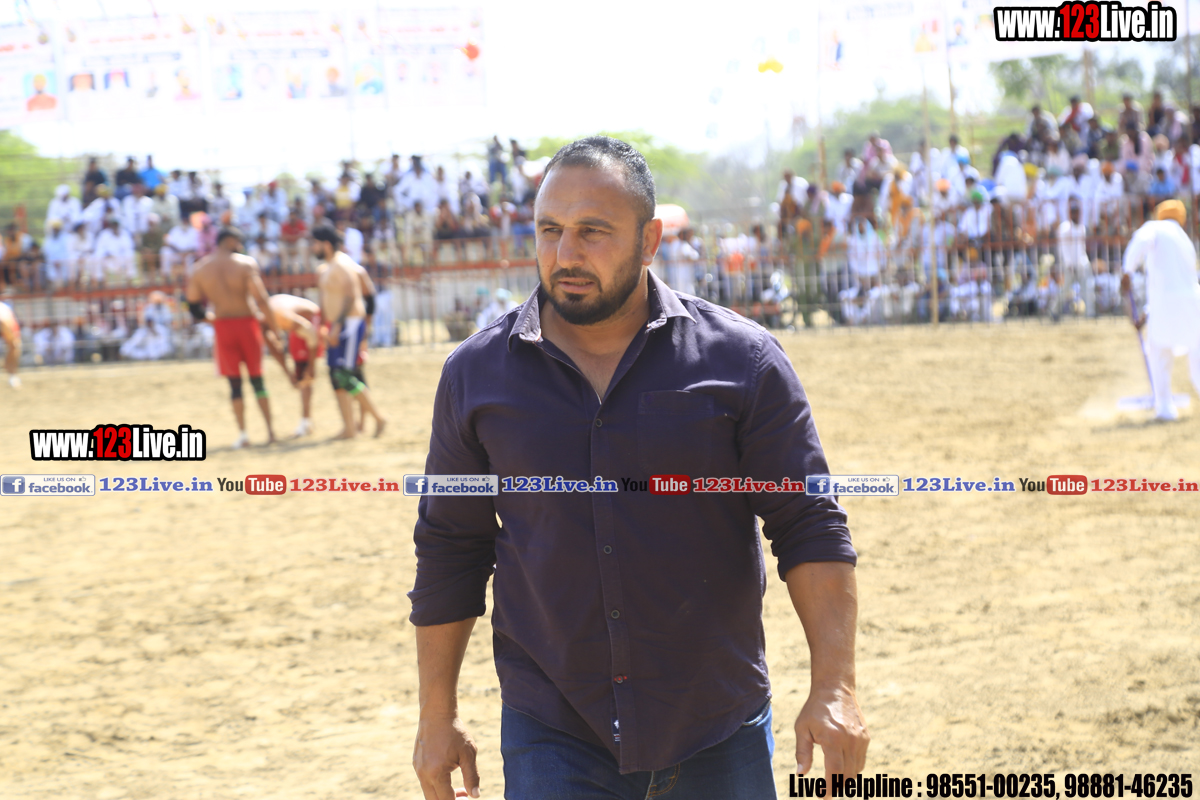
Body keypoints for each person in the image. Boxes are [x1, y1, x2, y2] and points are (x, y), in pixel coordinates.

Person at [408, 135, 868, 800]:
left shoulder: (742, 363)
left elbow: (809, 524)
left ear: (649, 241)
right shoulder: (475, 375)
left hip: (716, 727)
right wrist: (436, 716)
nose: (566, 254)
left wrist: (835, 687)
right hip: (553, 732)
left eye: (592, 231)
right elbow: (451, 546)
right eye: (550, 230)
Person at [185, 227, 283, 448]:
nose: (239, 246)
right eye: (237, 242)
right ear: (229, 241)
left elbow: (193, 306)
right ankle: (270, 432)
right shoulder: (245, 264)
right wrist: (275, 330)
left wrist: (212, 319)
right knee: (257, 379)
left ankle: (243, 434)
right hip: (247, 324)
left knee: (234, 384)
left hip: (222, 326)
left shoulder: (200, 269)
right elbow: (261, 298)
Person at [1121, 200, 1200, 421]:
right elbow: (1177, 282)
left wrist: (1127, 270)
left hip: (1165, 306)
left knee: (1159, 353)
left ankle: (1165, 408)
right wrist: (1146, 314)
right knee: (1198, 360)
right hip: (1192, 305)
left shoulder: (1156, 228)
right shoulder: (1185, 241)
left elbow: (1141, 240)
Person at [312, 225, 386, 439]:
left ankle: (378, 418)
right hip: (339, 325)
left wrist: (335, 327)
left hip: (348, 325)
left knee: (344, 374)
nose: (313, 247)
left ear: (326, 245)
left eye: (315, 243)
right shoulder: (330, 266)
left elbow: (351, 296)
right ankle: (350, 427)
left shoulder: (342, 265)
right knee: (337, 375)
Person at [267, 293, 322, 437]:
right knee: (301, 373)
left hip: (310, 320)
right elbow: (274, 349)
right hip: (298, 324)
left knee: (305, 375)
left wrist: (312, 366)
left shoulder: (281, 317)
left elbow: (311, 334)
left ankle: (306, 422)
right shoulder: (265, 321)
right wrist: (288, 373)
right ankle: (306, 421)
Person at [0, 301, 21, 388]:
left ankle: (12, 375)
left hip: (6, 322)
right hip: (5, 322)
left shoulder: (3, 309)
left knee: (14, 345)